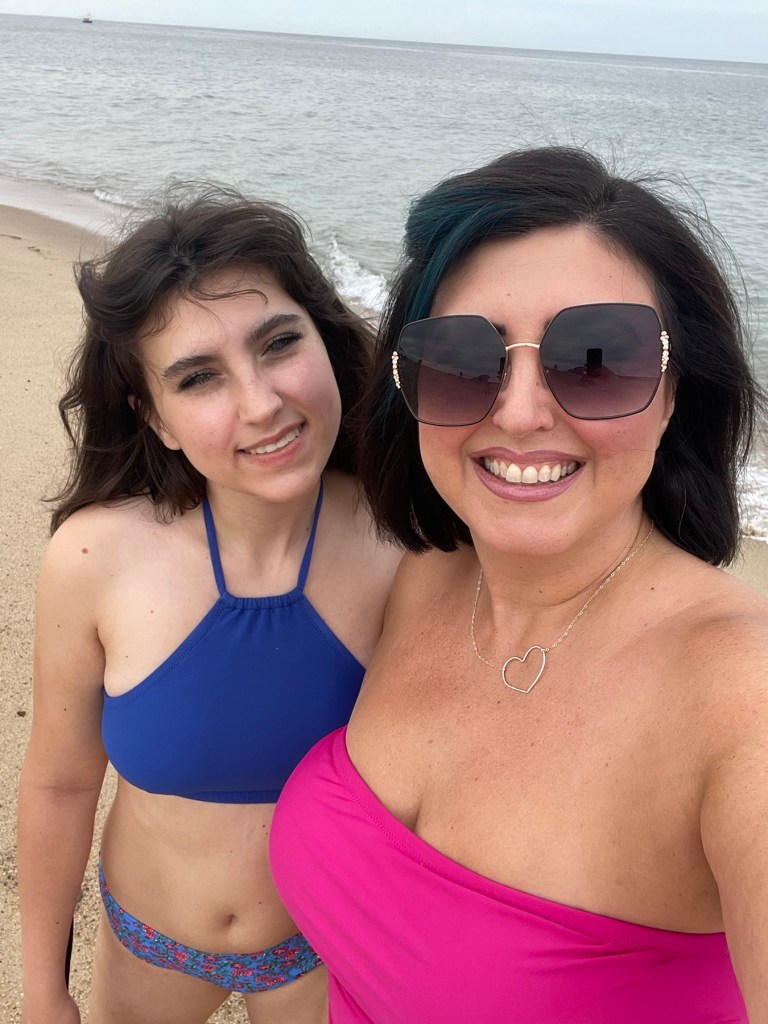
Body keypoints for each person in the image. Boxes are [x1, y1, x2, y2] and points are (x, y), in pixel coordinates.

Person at [270, 147, 768, 1022]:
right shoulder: (416, 579)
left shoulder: (741, 698)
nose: (521, 411)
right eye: (463, 358)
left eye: (597, 357)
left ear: (674, 392)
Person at [17, 187, 400, 1024]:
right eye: (199, 378)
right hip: (151, 940)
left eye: (279, 343)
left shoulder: (412, 549)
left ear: (326, 338)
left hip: (327, 948)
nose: (261, 403)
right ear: (155, 418)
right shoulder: (94, 558)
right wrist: (44, 991)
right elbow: (60, 783)